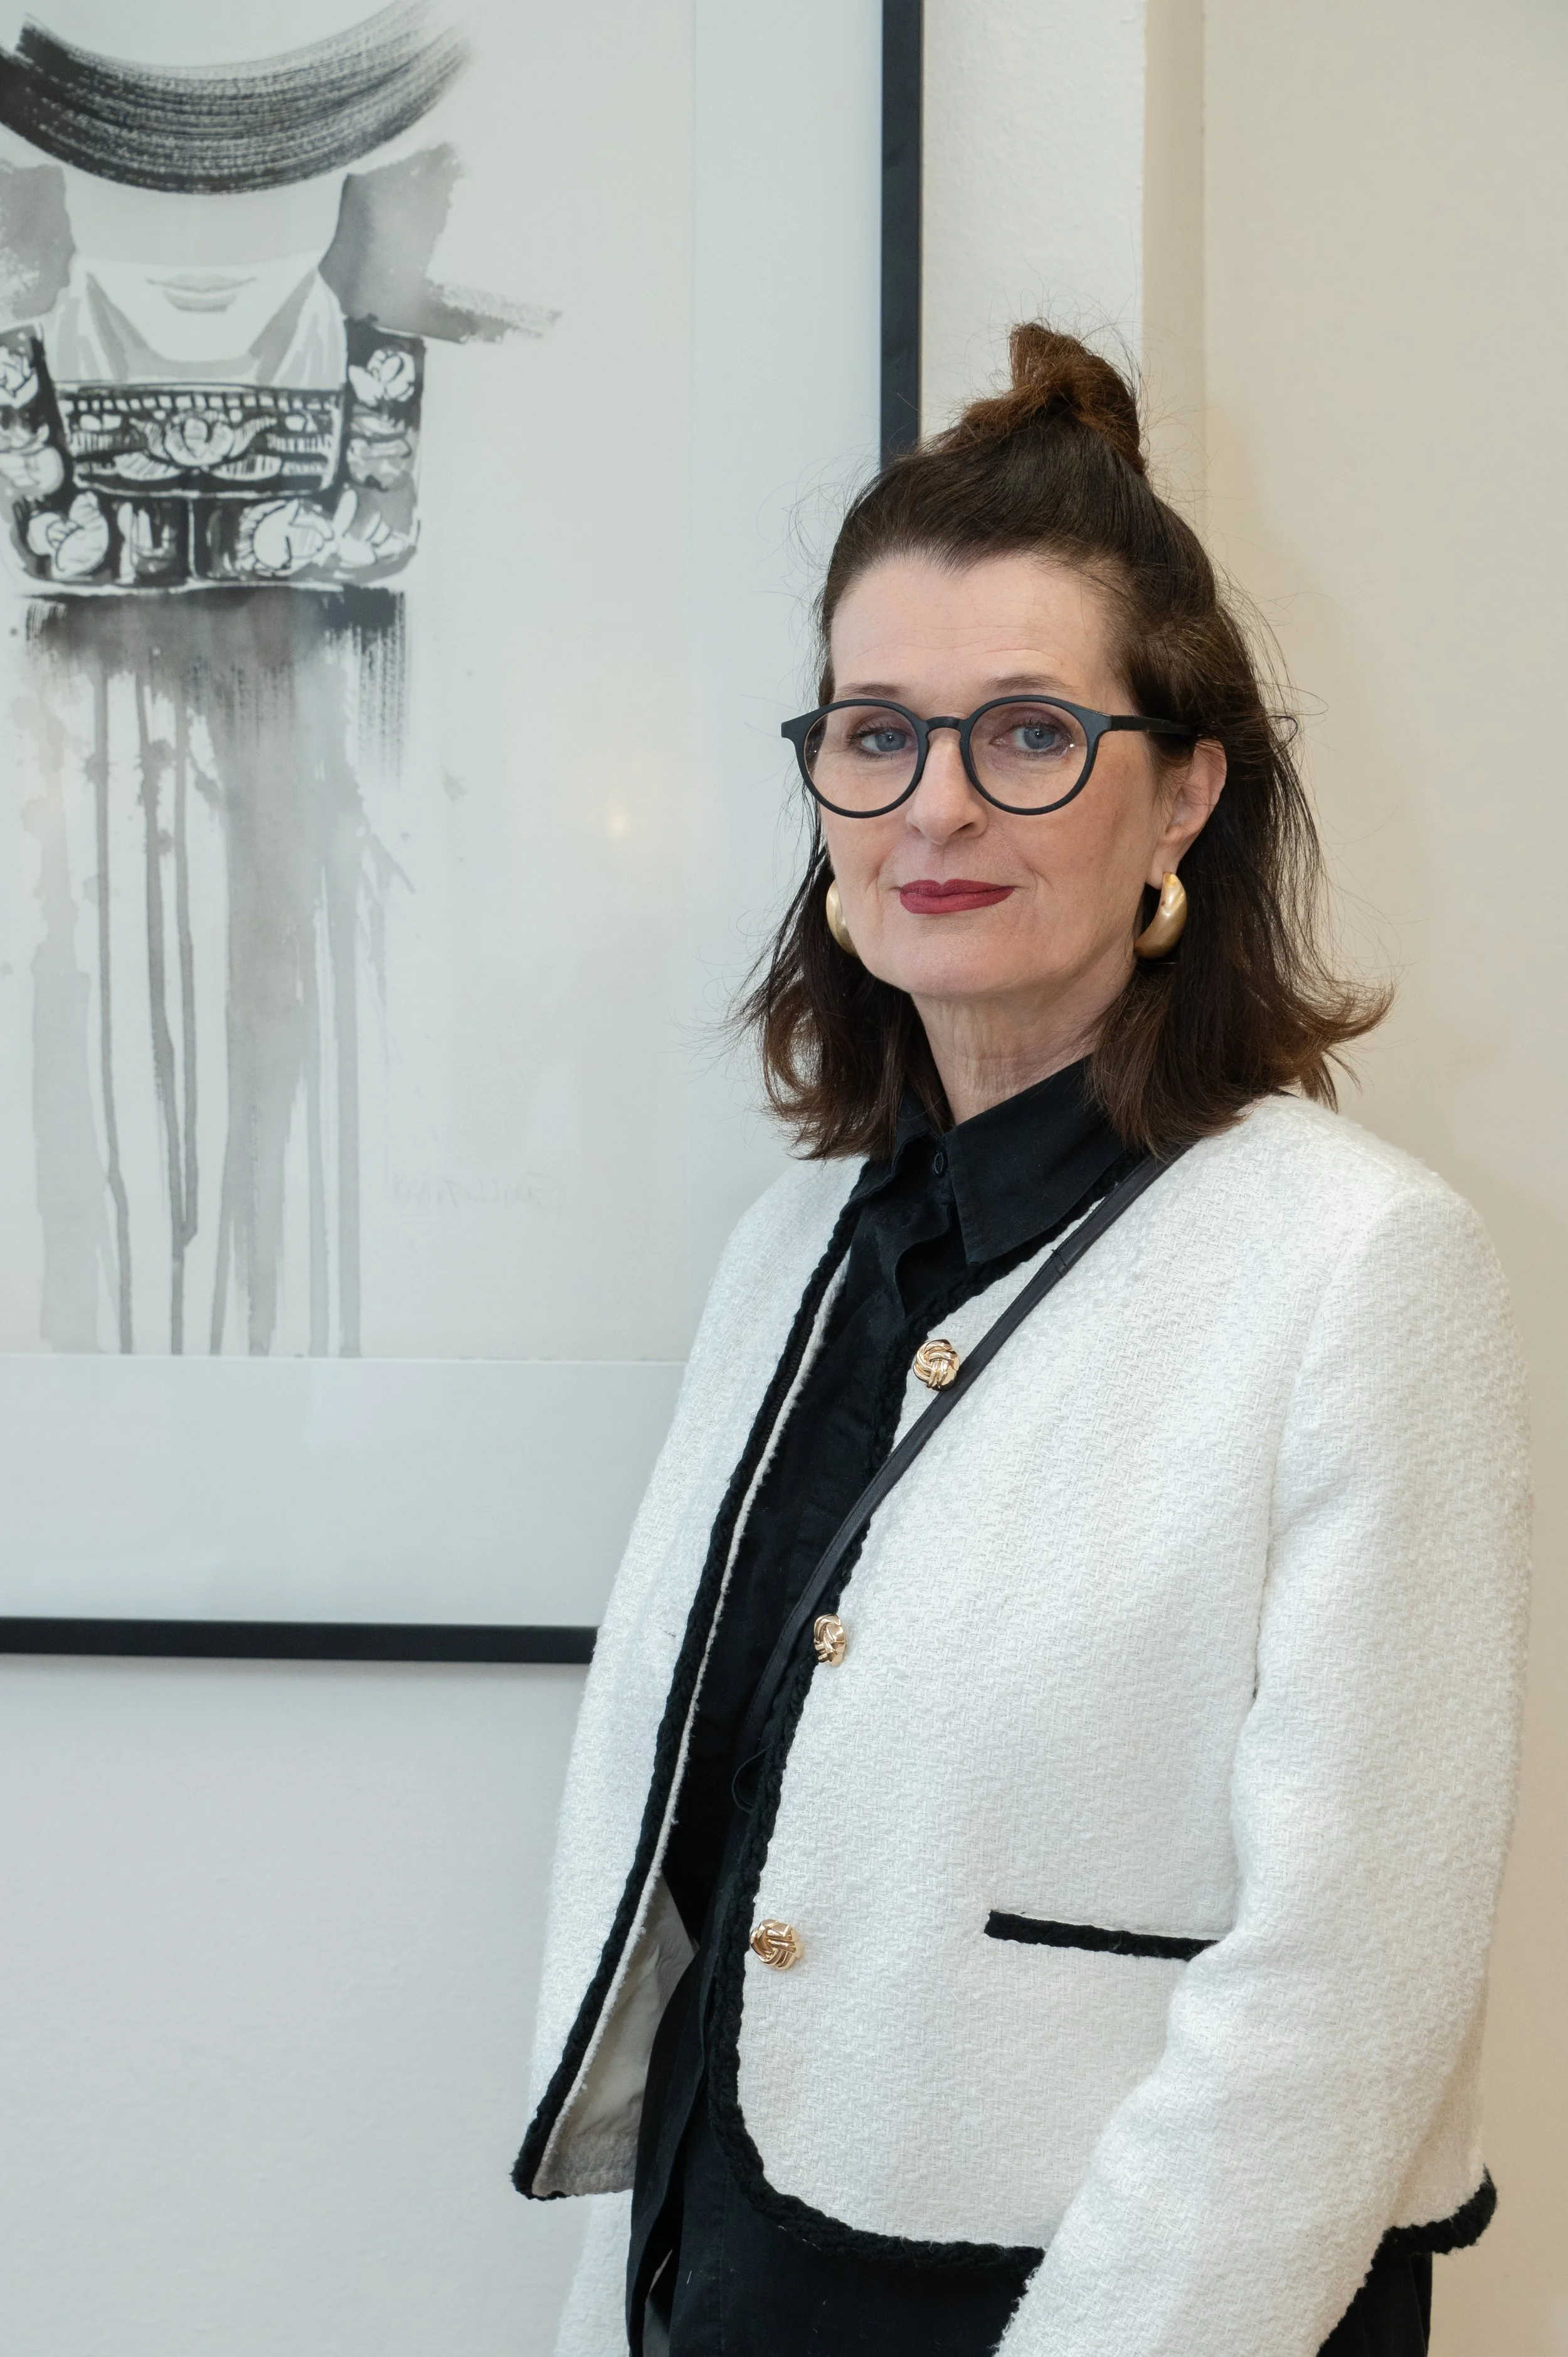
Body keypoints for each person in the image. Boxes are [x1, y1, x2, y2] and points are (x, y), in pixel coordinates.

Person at [514, 327, 1528, 2357]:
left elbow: (1347, 1989)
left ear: (1184, 794)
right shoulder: (791, 1251)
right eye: (875, 733)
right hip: (742, 2257)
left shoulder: (1359, 1265)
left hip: (1110, 2296)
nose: (936, 806)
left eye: (1031, 733)